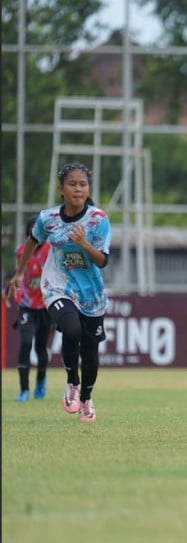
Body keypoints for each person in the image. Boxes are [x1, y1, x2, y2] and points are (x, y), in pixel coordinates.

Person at [8, 162, 111, 422]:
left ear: (88, 189)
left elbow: (102, 261)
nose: (78, 189)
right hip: (57, 285)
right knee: (71, 329)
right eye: (72, 184)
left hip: (91, 293)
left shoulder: (98, 219)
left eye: (83, 184)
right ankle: (72, 382)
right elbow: (32, 241)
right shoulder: (48, 218)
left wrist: (84, 244)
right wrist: (19, 273)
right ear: (61, 189)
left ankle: (86, 398)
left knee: (90, 350)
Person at [4, 216, 53, 401]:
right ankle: (24, 390)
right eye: (33, 231)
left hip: (45, 305)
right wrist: (8, 288)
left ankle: (41, 380)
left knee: (41, 348)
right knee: (25, 343)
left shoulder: (51, 249)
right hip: (26, 305)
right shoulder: (21, 251)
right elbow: (17, 272)